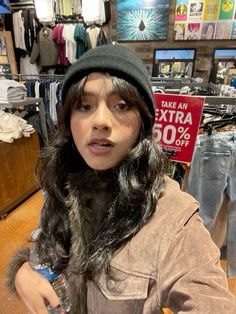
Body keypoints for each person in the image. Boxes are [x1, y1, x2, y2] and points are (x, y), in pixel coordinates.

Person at [7, 44, 236, 313]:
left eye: (122, 105)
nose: (101, 120)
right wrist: (23, 270)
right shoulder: (63, 182)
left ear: (143, 122)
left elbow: (210, 300)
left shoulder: (171, 217)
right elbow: (46, 250)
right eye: (85, 105)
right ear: (69, 119)